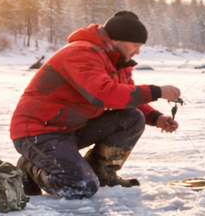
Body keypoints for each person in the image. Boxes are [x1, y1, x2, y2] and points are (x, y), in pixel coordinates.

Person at [11, 10, 180, 198]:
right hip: (39, 132)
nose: (138, 51)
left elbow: (126, 98)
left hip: (72, 128)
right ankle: (30, 169)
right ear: (119, 39)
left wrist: (157, 118)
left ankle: (103, 173)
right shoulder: (81, 53)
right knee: (80, 187)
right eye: (136, 44)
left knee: (132, 117)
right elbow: (103, 94)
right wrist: (157, 91)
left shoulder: (116, 61)